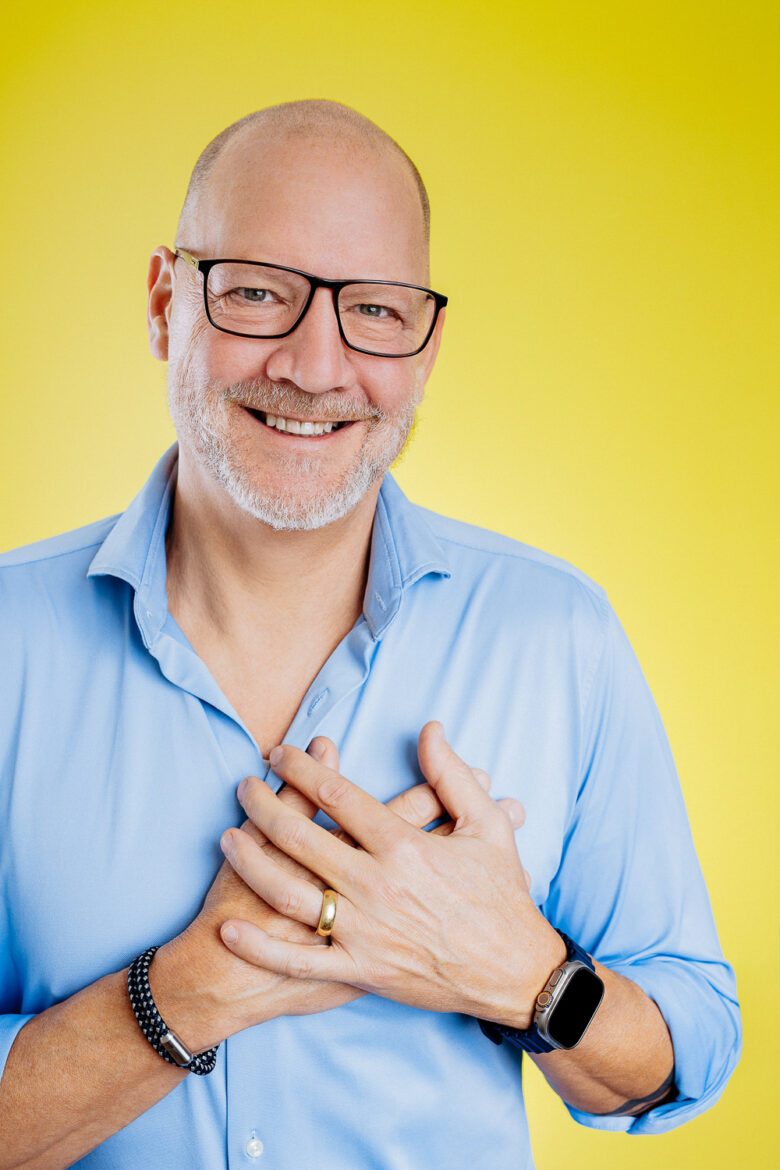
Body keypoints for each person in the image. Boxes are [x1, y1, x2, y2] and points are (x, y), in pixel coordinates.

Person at [0, 100, 740, 1169]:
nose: (315, 366)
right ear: (167, 305)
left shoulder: (554, 635)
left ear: (426, 349)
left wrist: (527, 976)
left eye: (376, 311)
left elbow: (687, 1053)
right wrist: (189, 992)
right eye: (258, 292)